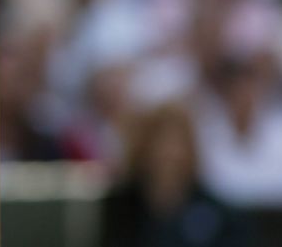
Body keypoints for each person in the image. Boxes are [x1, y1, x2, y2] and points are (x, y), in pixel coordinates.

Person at [101, 102, 253, 247]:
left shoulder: (221, 218)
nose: (168, 154)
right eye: (159, 143)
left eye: (177, 144)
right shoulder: (115, 212)